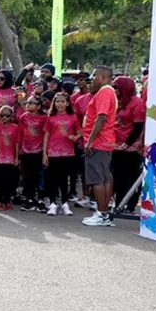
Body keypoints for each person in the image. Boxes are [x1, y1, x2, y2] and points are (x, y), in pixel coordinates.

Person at [81, 67, 118, 226]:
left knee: (97, 179)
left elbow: (101, 117)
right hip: (105, 142)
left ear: (102, 77)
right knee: (105, 178)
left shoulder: (104, 92)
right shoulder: (109, 92)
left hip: (98, 143)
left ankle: (102, 214)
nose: (92, 79)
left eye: (95, 76)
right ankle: (104, 213)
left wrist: (90, 141)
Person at [112, 75, 146, 213]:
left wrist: (126, 144)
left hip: (131, 147)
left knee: (130, 177)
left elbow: (138, 127)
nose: (114, 89)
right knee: (117, 177)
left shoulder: (137, 103)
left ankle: (130, 205)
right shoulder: (117, 101)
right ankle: (118, 204)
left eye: (116, 87)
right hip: (115, 145)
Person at [44, 92, 81, 217]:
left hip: (67, 153)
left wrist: (75, 137)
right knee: (52, 179)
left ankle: (65, 203)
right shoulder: (50, 117)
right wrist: (44, 154)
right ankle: (53, 203)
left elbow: (80, 132)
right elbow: (46, 135)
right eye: (57, 101)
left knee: (64, 179)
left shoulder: (73, 117)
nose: (60, 104)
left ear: (67, 103)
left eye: (62, 101)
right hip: (53, 152)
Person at [18, 96, 47, 212]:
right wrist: (19, 149)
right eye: (27, 103)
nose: (28, 105)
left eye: (32, 103)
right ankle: (29, 198)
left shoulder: (44, 118)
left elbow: (46, 134)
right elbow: (20, 133)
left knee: (39, 176)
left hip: (39, 151)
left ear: (39, 106)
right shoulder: (23, 117)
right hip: (26, 150)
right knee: (27, 176)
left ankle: (40, 199)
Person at [0, 105, 20, 210]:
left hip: (10, 158)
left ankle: (7, 201)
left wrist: (16, 157)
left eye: (7, 116)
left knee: (9, 181)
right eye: (2, 115)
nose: (4, 117)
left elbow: (17, 143)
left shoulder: (15, 128)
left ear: (11, 117)